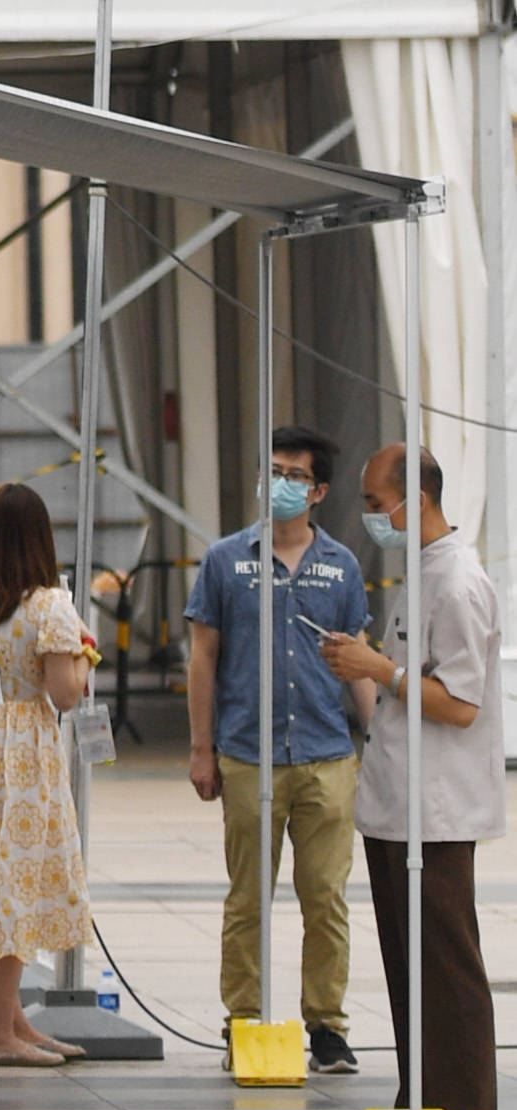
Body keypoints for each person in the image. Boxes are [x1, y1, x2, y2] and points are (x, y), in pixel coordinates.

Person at [322, 445, 500, 1110]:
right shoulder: (422, 571)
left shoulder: (456, 582)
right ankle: (423, 1095)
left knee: (446, 965)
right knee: (408, 964)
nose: (369, 515)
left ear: (414, 500)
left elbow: (459, 703)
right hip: (399, 802)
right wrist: (373, 665)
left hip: (438, 809)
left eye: (374, 502)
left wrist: (378, 668)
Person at [185, 425, 372, 1075]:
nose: (280, 484)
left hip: (325, 753)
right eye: (273, 471)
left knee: (326, 898)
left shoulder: (342, 566)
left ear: (318, 491)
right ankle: (243, 1019)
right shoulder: (225, 560)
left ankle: (326, 1025)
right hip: (247, 753)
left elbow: (357, 660)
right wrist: (200, 748)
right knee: (247, 899)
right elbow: (203, 657)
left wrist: (375, 742)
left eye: (295, 475)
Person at [0, 483, 95, 1067]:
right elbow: (64, 694)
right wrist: (83, 657)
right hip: (26, 751)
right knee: (14, 882)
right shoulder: (50, 606)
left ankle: (12, 1020)